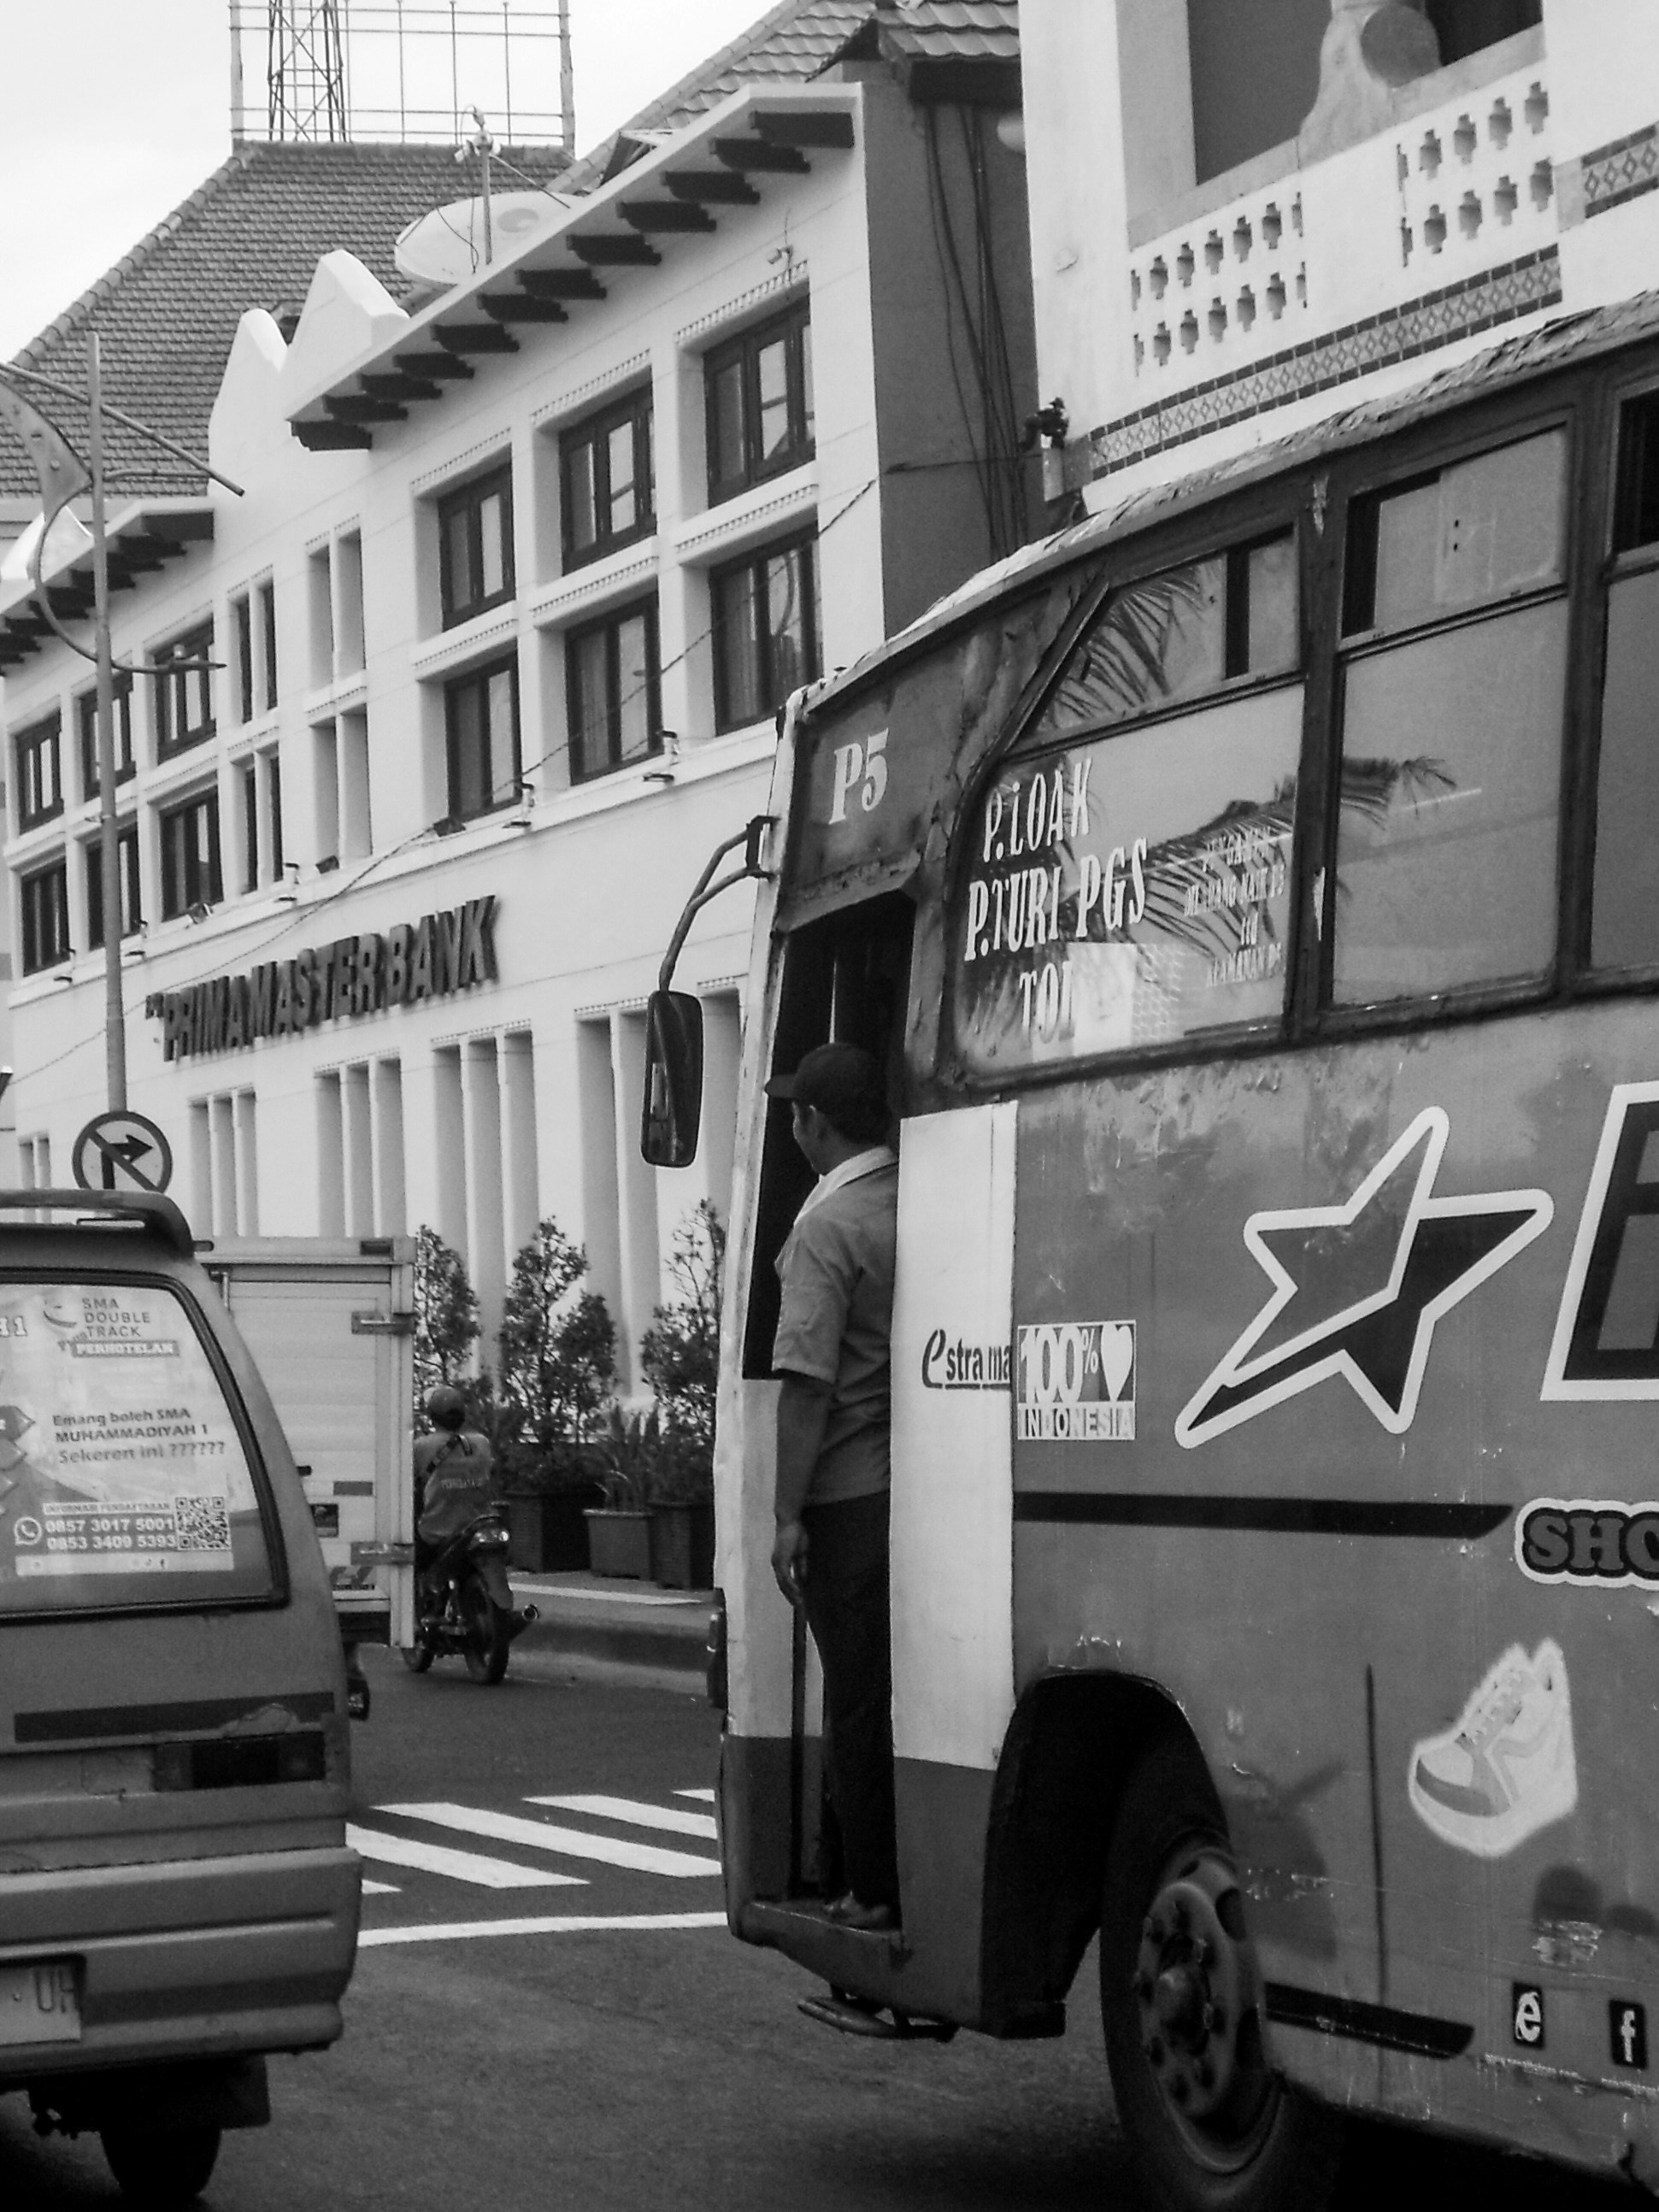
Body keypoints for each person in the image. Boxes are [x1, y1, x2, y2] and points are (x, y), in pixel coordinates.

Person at [767, 1040, 901, 1934]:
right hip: (912, 1488)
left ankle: (869, 1885)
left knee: (853, 1694)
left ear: (814, 1123)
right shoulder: (916, 1197)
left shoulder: (828, 1226)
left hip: (847, 1495)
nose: (791, 1124)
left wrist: (783, 1512)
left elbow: (807, 1381)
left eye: (794, 1112)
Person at [414, 1384, 494, 1615]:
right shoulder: (482, 1443)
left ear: (432, 1417)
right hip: (479, 1525)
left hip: (438, 1531)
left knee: (411, 1563)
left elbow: (407, 1480)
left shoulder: (422, 1447)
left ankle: (423, 1611)